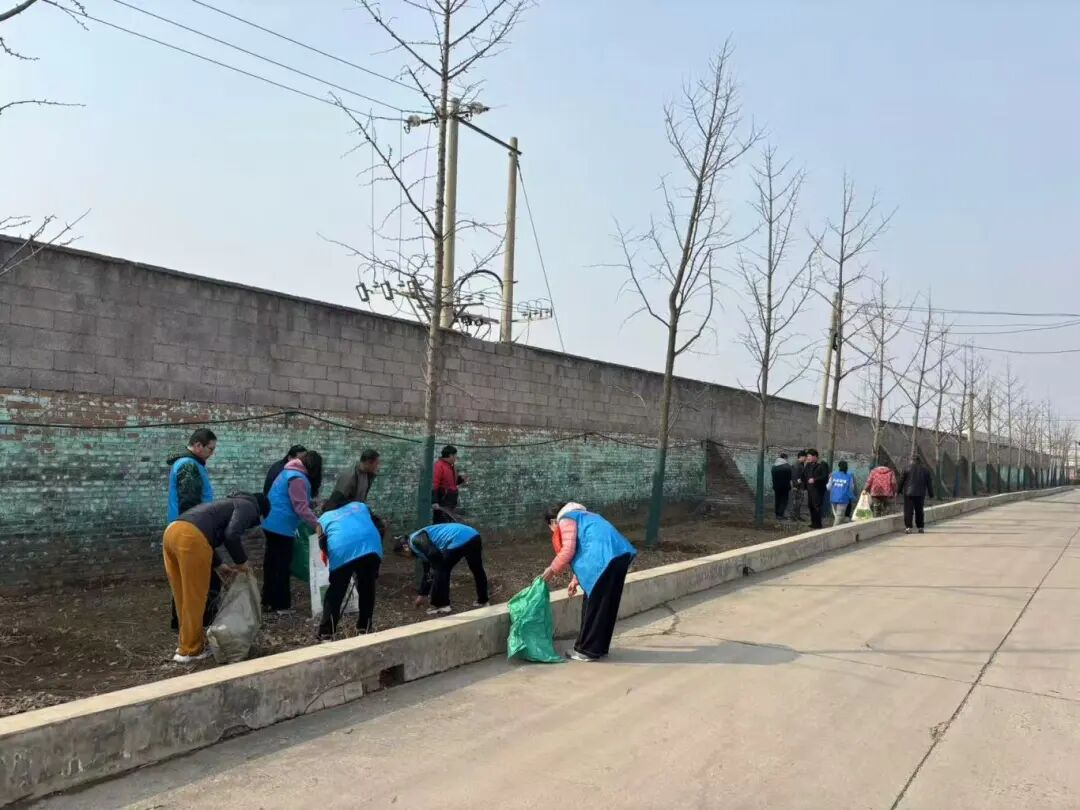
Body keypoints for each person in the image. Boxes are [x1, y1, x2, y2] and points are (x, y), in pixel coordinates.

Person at [163, 492, 269, 663]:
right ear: (260, 511)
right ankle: (190, 650)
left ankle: (186, 643)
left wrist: (220, 565)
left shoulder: (227, 503)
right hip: (190, 537)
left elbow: (206, 535)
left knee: (182, 595)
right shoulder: (248, 507)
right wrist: (242, 562)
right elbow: (231, 535)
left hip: (172, 532)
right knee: (195, 598)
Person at [541, 502, 637, 662]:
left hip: (604, 560)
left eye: (550, 527)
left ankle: (586, 650)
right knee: (606, 606)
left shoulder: (566, 519)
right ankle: (599, 648)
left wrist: (551, 569)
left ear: (552, 522)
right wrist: (575, 580)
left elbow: (568, 550)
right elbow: (586, 548)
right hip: (619, 556)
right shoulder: (586, 516)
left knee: (594, 606)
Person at [166, 428, 218, 631]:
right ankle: (201, 623)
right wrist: (201, 530)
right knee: (200, 580)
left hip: (180, 528)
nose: (212, 453)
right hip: (191, 530)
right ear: (198, 445)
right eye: (210, 449)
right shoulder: (189, 466)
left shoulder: (187, 463)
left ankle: (181, 621)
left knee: (184, 579)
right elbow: (190, 505)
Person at [262, 449, 323, 612]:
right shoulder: (298, 478)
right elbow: (300, 507)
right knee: (281, 565)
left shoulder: (288, 472)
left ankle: (267, 600)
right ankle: (280, 605)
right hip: (281, 526)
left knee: (271, 563)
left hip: (270, 522)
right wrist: (317, 525)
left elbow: (291, 498)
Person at [315, 501, 383, 640]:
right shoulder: (359, 506)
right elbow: (380, 526)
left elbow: (323, 544)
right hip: (371, 546)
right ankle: (364, 627)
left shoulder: (322, 519)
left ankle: (326, 632)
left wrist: (337, 567)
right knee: (367, 587)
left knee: (336, 590)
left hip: (341, 549)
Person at [398, 521, 489, 615]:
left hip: (457, 538)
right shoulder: (419, 547)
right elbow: (427, 573)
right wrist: (422, 594)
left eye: (402, 554)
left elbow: (434, 554)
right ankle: (483, 601)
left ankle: (442, 605)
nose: (406, 557)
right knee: (477, 569)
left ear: (405, 547)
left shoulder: (415, 539)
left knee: (441, 570)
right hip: (473, 535)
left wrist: (436, 569)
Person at [322, 448, 380, 513]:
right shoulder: (349, 476)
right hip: (344, 513)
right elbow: (336, 500)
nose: (377, 466)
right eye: (376, 464)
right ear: (368, 462)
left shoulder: (368, 474)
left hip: (355, 511)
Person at [898, 454, 934, 534]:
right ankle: (920, 527)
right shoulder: (925, 470)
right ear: (920, 461)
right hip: (920, 493)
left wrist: (899, 491)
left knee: (908, 510)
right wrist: (931, 494)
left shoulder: (906, 468)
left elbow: (901, 481)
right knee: (919, 510)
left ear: (911, 460)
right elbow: (929, 483)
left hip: (908, 493)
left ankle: (908, 527)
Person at [432, 445, 467, 522]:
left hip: (451, 502)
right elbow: (434, 484)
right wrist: (434, 501)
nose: (456, 458)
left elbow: (452, 483)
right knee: (441, 523)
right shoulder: (439, 466)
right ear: (451, 455)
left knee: (450, 522)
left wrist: (461, 479)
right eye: (455, 456)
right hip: (442, 502)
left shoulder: (451, 466)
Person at [802, 449, 830, 530]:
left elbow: (825, 476)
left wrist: (815, 480)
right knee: (811, 505)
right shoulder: (808, 465)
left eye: (809, 456)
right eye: (807, 456)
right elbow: (805, 474)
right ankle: (813, 522)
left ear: (815, 456)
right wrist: (802, 481)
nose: (808, 458)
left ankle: (818, 524)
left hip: (818, 489)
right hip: (810, 489)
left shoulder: (822, 464)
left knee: (816, 506)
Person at [827, 460, 857, 525]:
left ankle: (842, 525)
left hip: (833, 498)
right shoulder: (849, 476)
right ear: (847, 467)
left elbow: (828, 487)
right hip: (843, 499)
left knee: (837, 515)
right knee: (839, 516)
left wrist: (835, 489)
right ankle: (835, 529)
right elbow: (851, 488)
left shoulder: (833, 475)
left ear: (839, 466)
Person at [771, 453, 793, 520]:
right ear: (785, 458)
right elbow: (790, 477)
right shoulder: (787, 466)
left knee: (777, 500)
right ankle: (780, 515)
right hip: (785, 486)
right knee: (784, 501)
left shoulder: (774, 466)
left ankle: (777, 514)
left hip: (776, 486)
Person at [790, 450, 807, 523]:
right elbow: (795, 477)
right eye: (805, 457)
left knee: (799, 502)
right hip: (797, 487)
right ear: (802, 457)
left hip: (800, 486)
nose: (806, 458)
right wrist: (796, 485)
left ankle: (797, 516)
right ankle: (793, 516)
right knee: (796, 502)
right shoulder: (796, 465)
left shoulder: (800, 464)